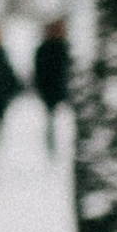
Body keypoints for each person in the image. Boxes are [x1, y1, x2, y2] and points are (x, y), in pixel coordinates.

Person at [33, 15, 73, 148]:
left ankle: (57, 145)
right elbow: (40, 72)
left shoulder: (63, 48)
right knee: (53, 121)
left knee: (61, 122)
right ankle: (53, 145)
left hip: (60, 91)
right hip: (52, 91)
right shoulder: (48, 49)